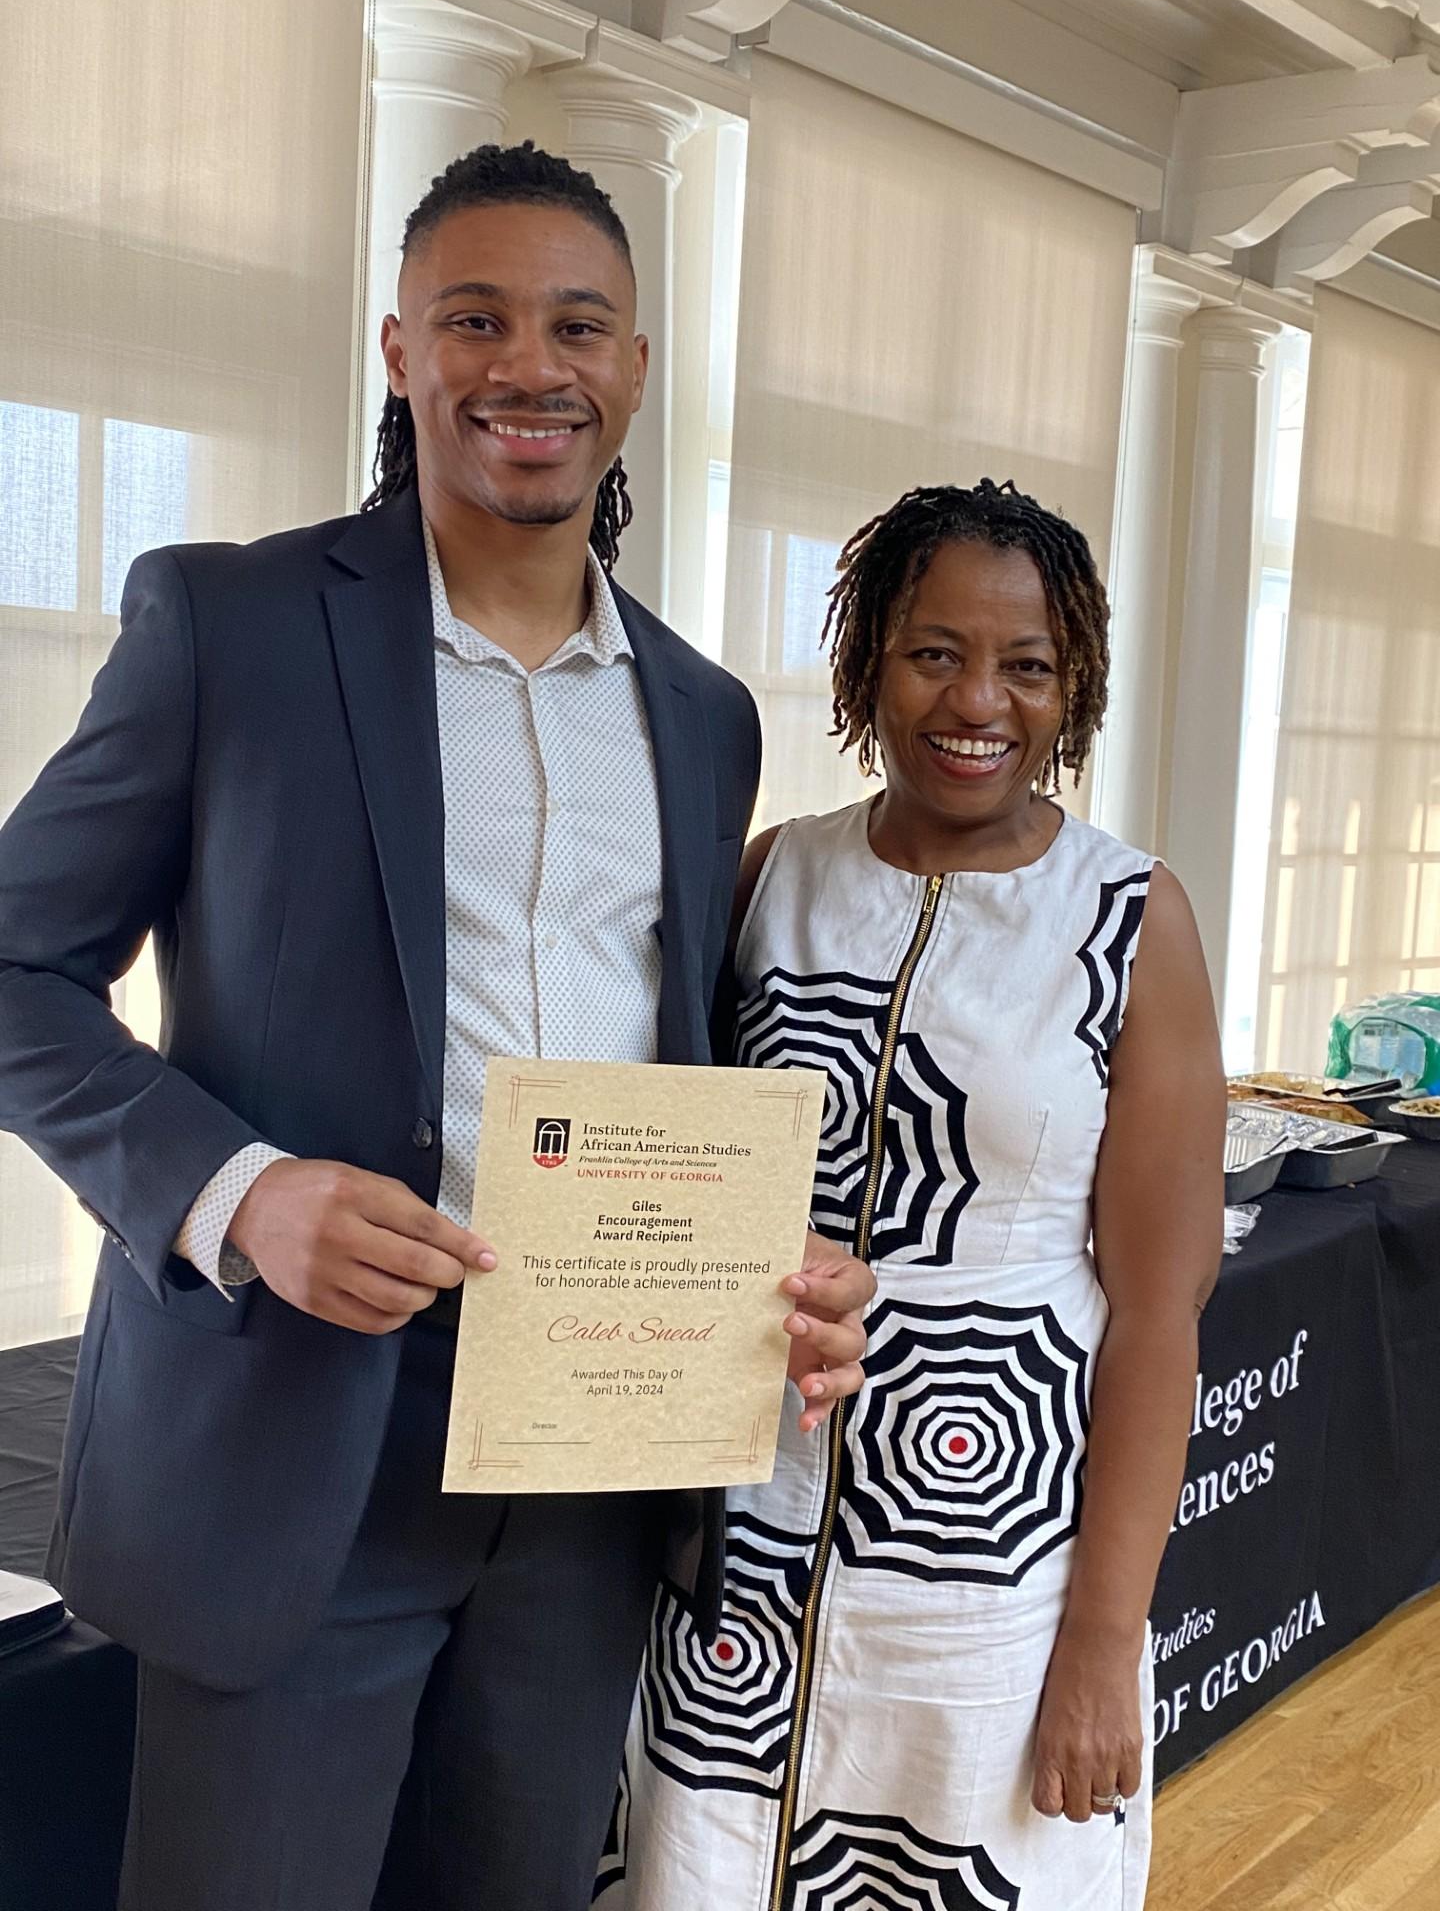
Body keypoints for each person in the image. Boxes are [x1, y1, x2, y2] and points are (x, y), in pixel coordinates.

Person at [0, 142, 871, 1911]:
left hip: (590, 1472)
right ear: (401, 352)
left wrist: (753, 1272)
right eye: (474, 319)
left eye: (577, 325)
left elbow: (663, 1065)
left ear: (635, 369)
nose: (527, 367)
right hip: (290, 1448)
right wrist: (239, 1191)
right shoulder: (229, 623)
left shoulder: (704, 717)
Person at [603, 479, 1224, 1910]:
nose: (979, 701)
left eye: (1028, 666)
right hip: (740, 1557)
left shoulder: (1130, 919)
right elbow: (677, 1175)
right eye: (935, 650)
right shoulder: (775, 878)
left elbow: (1156, 1317)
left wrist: (1100, 1646)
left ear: (1074, 691)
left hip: (993, 1583)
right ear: (866, 659)